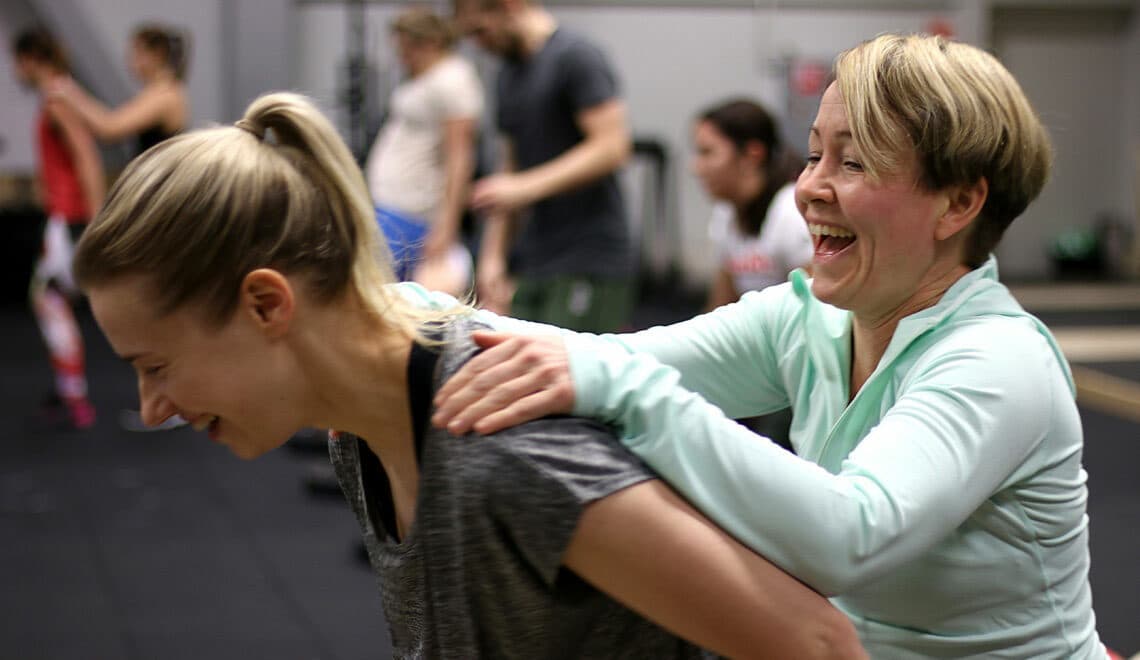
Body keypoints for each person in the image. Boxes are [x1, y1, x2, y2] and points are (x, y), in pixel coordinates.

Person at [71, 91, 864, 659]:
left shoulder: (506, 455)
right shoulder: (362, 432)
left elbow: (821, 646)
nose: (152, 407)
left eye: (156, 365)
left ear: (266, 304)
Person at [431, 34, 1110, 658]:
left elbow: (851, 534)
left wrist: (631, 395)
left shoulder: (998, 359)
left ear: (958, 204)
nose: (809, 187)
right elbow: (608, 356)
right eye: (814, 153)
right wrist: (410, 316)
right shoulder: (807, 318)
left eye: (854, 162)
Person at [455, 0, 635, 331]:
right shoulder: (507, 74)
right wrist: (493, 259)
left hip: (588, 256)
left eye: (481, 30)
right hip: (534, 258)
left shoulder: (576, 56)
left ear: (510, 6)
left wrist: (525, 188)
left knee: (572, 376)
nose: (478, 44)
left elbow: (612, 147)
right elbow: (509, 169)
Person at [12, 27, 105, 430]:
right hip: (64, 215)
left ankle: (73, 395)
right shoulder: (56, 95)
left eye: (18, 60)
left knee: (49, 300)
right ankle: (69, 391)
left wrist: (98, 222)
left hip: (69, 218)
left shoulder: (57, 98)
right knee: (50, 299)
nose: (16, 69)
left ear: (32, 58)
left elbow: (87, 158)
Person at [364, 7, 483, 297]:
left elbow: (460, 158)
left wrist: (447, 225)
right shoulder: (423, 77)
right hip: (392, 205)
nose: (402, 59)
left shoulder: (453, 80)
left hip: (414, 213)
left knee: (392, 300)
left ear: (429, 43)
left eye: (407, 50)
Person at [692, 98, 812, 312]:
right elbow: (719, 310)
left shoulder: (791, 213)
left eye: (707, 153)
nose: (696, 168)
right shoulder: (726, 213)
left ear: (751, 155)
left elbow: (816, 310)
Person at [50, 23, 188, 157]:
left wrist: (70, 92)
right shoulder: (160, 90)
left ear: (157, 54)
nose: (130, 62)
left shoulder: (165, 94)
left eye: (137, 53)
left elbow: (109, 128)